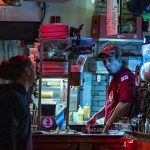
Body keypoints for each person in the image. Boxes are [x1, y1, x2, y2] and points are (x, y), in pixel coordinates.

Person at [87, 44, 136, 133]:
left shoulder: (126, 77)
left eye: (110, 60)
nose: (107, 64)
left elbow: (125, 103)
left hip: (120, 132)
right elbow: (111, 104)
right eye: (104, 61)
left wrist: (108, 125)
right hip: (112, 130)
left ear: (119, 59)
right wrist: (96, 116)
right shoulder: (115, 78)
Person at [0, 55, 36, 150]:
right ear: (27, 70)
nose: (35, 72)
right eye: (33, 68)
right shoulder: (13, 97)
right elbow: (7, 137)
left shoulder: (18, 95)